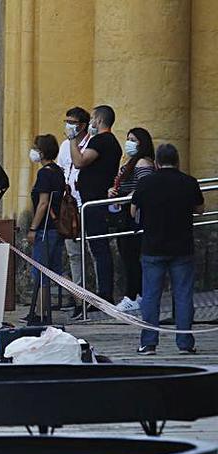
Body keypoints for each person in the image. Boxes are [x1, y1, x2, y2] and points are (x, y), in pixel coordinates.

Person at [131, 144, 203, 355]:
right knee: (183, 296)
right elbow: (200, 209)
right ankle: (185, 343)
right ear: (178, 161)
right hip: (182, 247)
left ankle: (149, 343)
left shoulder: (146, 182)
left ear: (156, 163)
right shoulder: (189, 182)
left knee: (151, 296)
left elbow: (133, 209)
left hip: (153, 247)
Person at [70, 105, 121, 304]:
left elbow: (79, 161)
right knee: (99, 248)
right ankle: (103, 291)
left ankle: (104, 293)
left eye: (92, 118)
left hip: (95, 202)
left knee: (99, 248)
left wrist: (73, 139)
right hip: (95, 200)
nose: (90, 122)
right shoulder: (111, 142)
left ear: (98, 121)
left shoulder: (101, 140)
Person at [109, 127, 156, 313]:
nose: (129, 143)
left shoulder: (143, 163)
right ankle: (135, 294)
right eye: (128, 139)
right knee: (127, 255)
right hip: (124, 212)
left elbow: (146, 186)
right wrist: (113, 192)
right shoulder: (131, 162)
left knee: (131, 256)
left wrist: (129, 198)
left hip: (134, 215)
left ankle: (134, 295)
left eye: (133, 140)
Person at [23, 134, 65, 325]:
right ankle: (42, 311)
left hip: (45, 227)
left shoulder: (44, 174)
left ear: (42, 152)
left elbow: (43, 203)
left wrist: (32, 228)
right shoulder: (58, 171)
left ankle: (40, 313)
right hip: (57, 228)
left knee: (40, 271)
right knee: (50, 270)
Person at [57, 106, 92, 319]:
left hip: (85, 204)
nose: (68, 125)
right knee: (73, 254)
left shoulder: (90, 144)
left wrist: (73, 141)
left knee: (92, 252)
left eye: (72, 122)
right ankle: (79, 297)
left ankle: (92, 298)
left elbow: (81, 163)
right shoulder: (64, 146)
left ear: (82, 125)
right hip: (69, 207)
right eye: (66, 120)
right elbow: (63, 170)